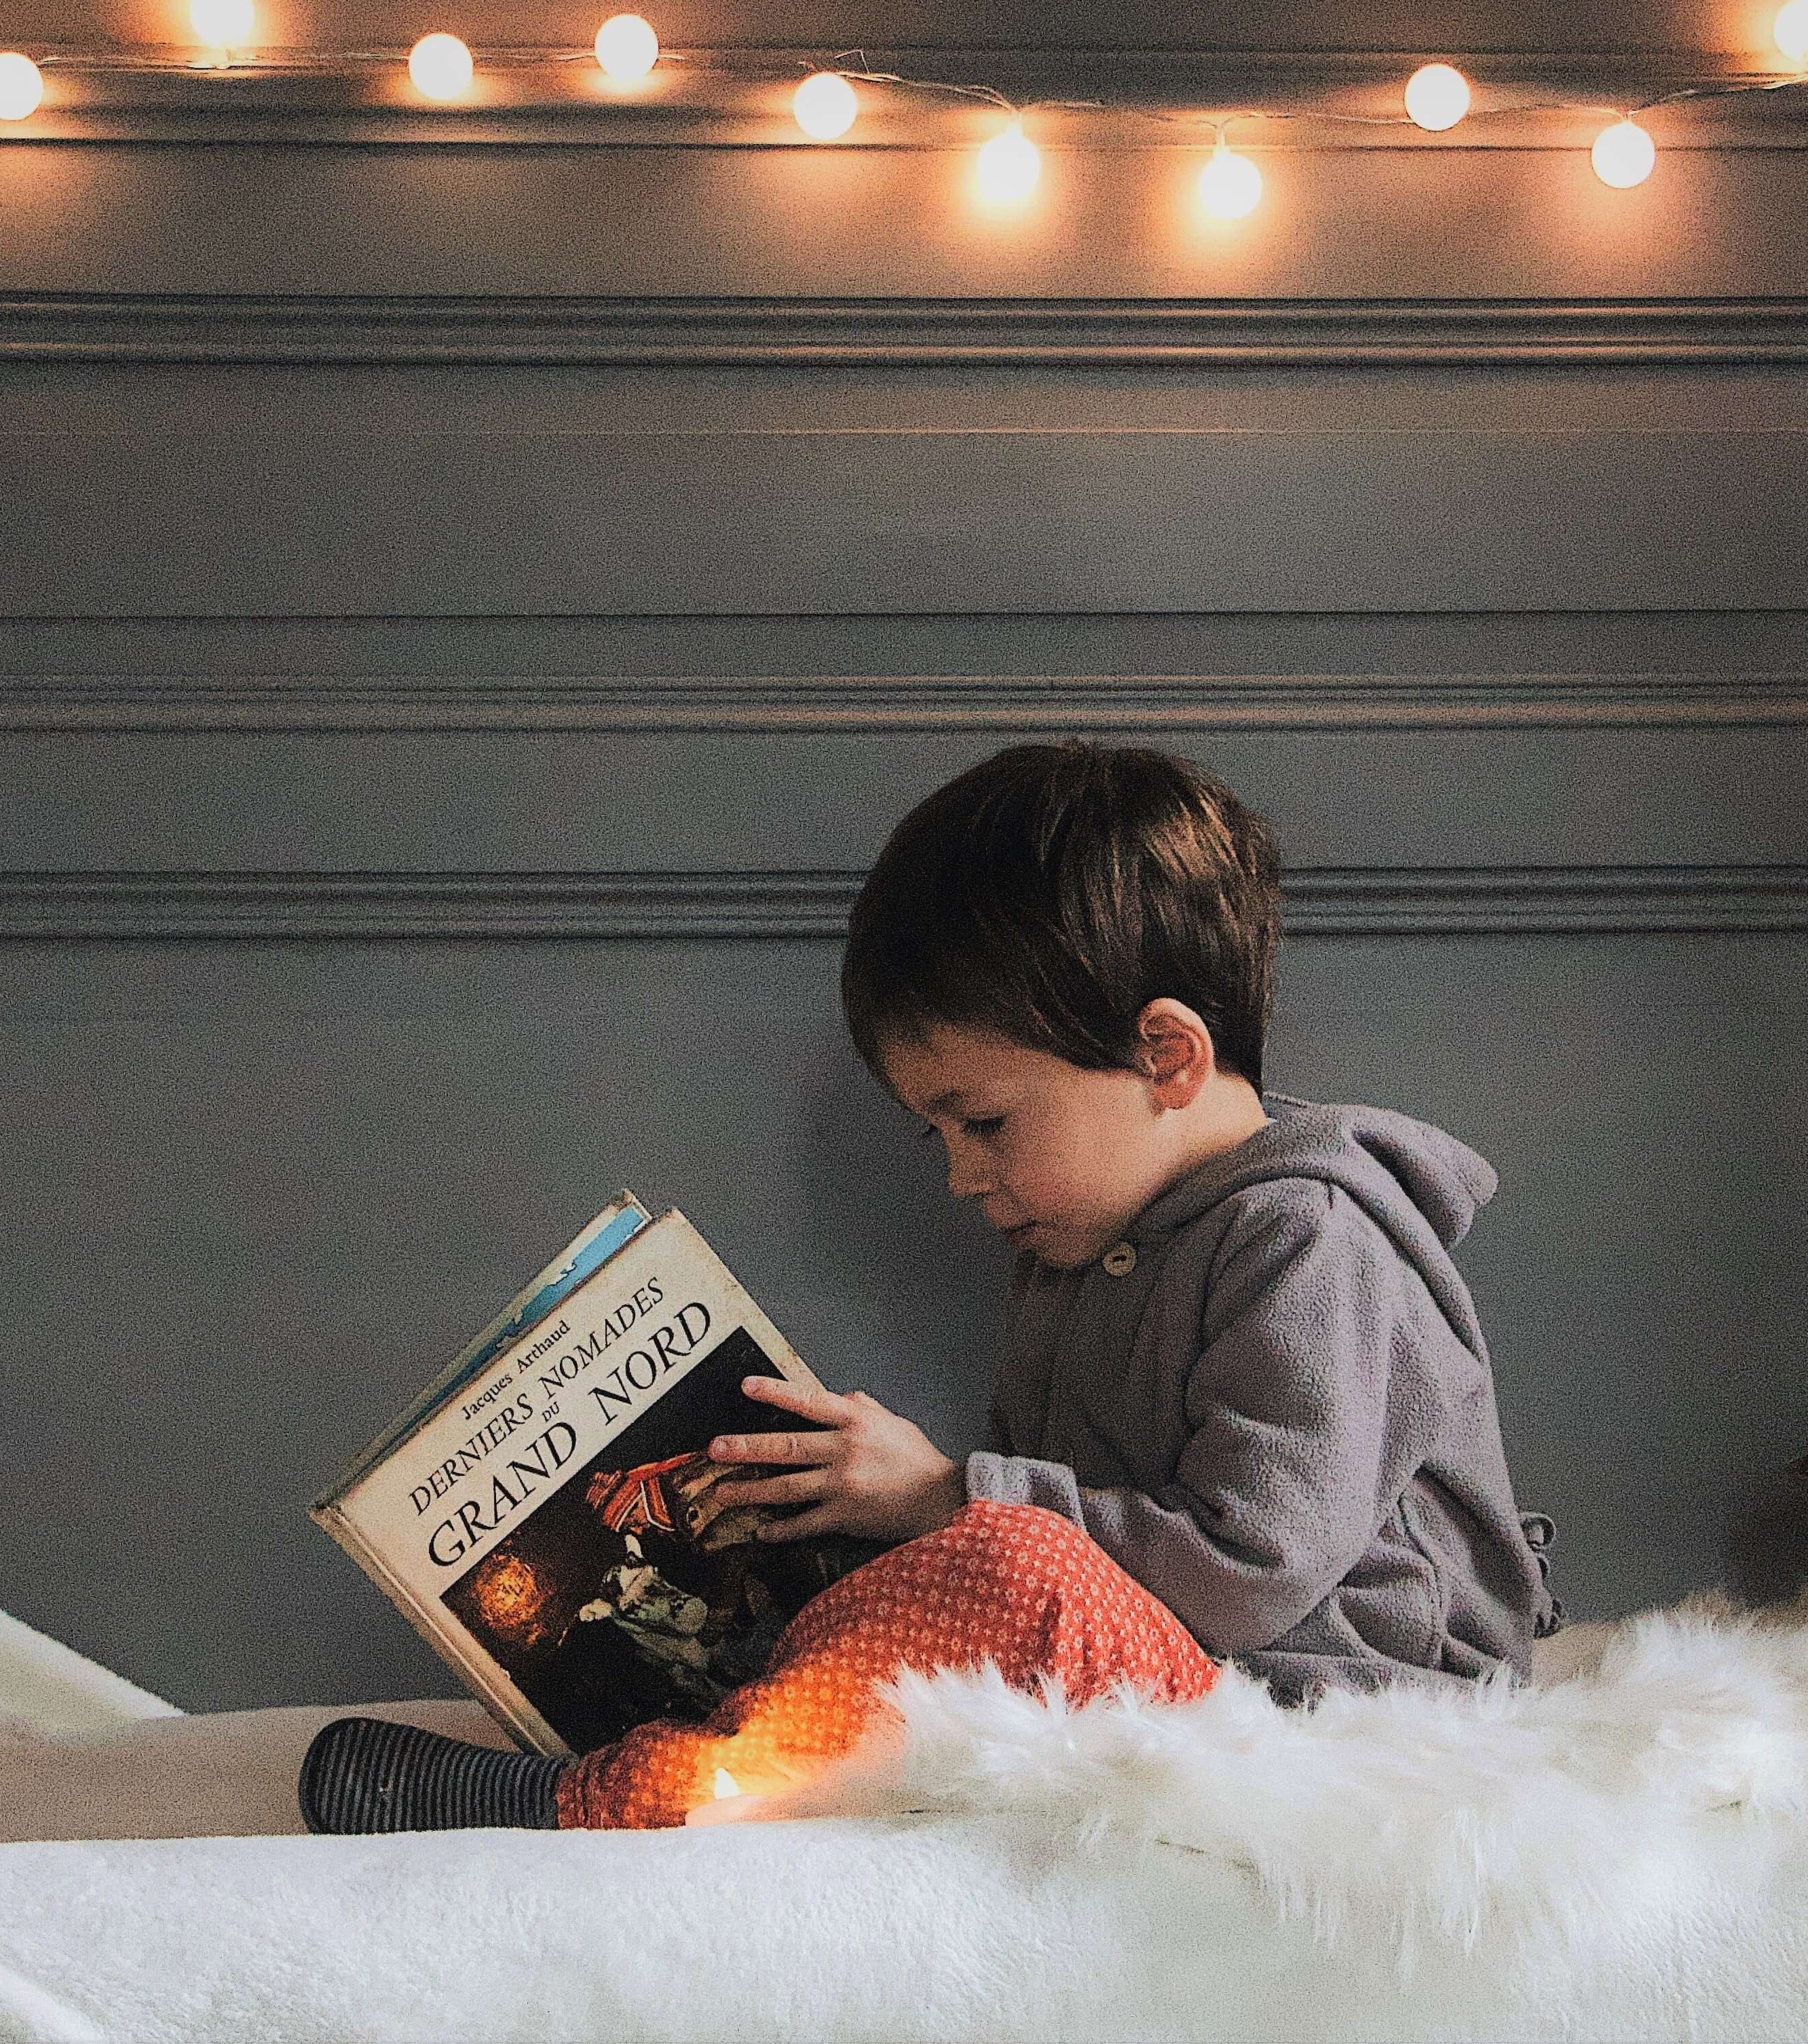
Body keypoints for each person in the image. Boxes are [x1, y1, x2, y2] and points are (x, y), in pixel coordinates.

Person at [298, 740, 1557, 1836]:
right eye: (936, 1138)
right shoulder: (1075, 1250)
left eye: (987, 1122)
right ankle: (676, 1729)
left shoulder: (1313, 1241)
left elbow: (1247, 1568)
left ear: (1165, 1056)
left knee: (1006, 1568)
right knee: (876, 1549)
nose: (962, 1178)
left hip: (1334, 1720)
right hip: (1179, 1680)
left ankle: (601, 1803)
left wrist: (953, 1498)